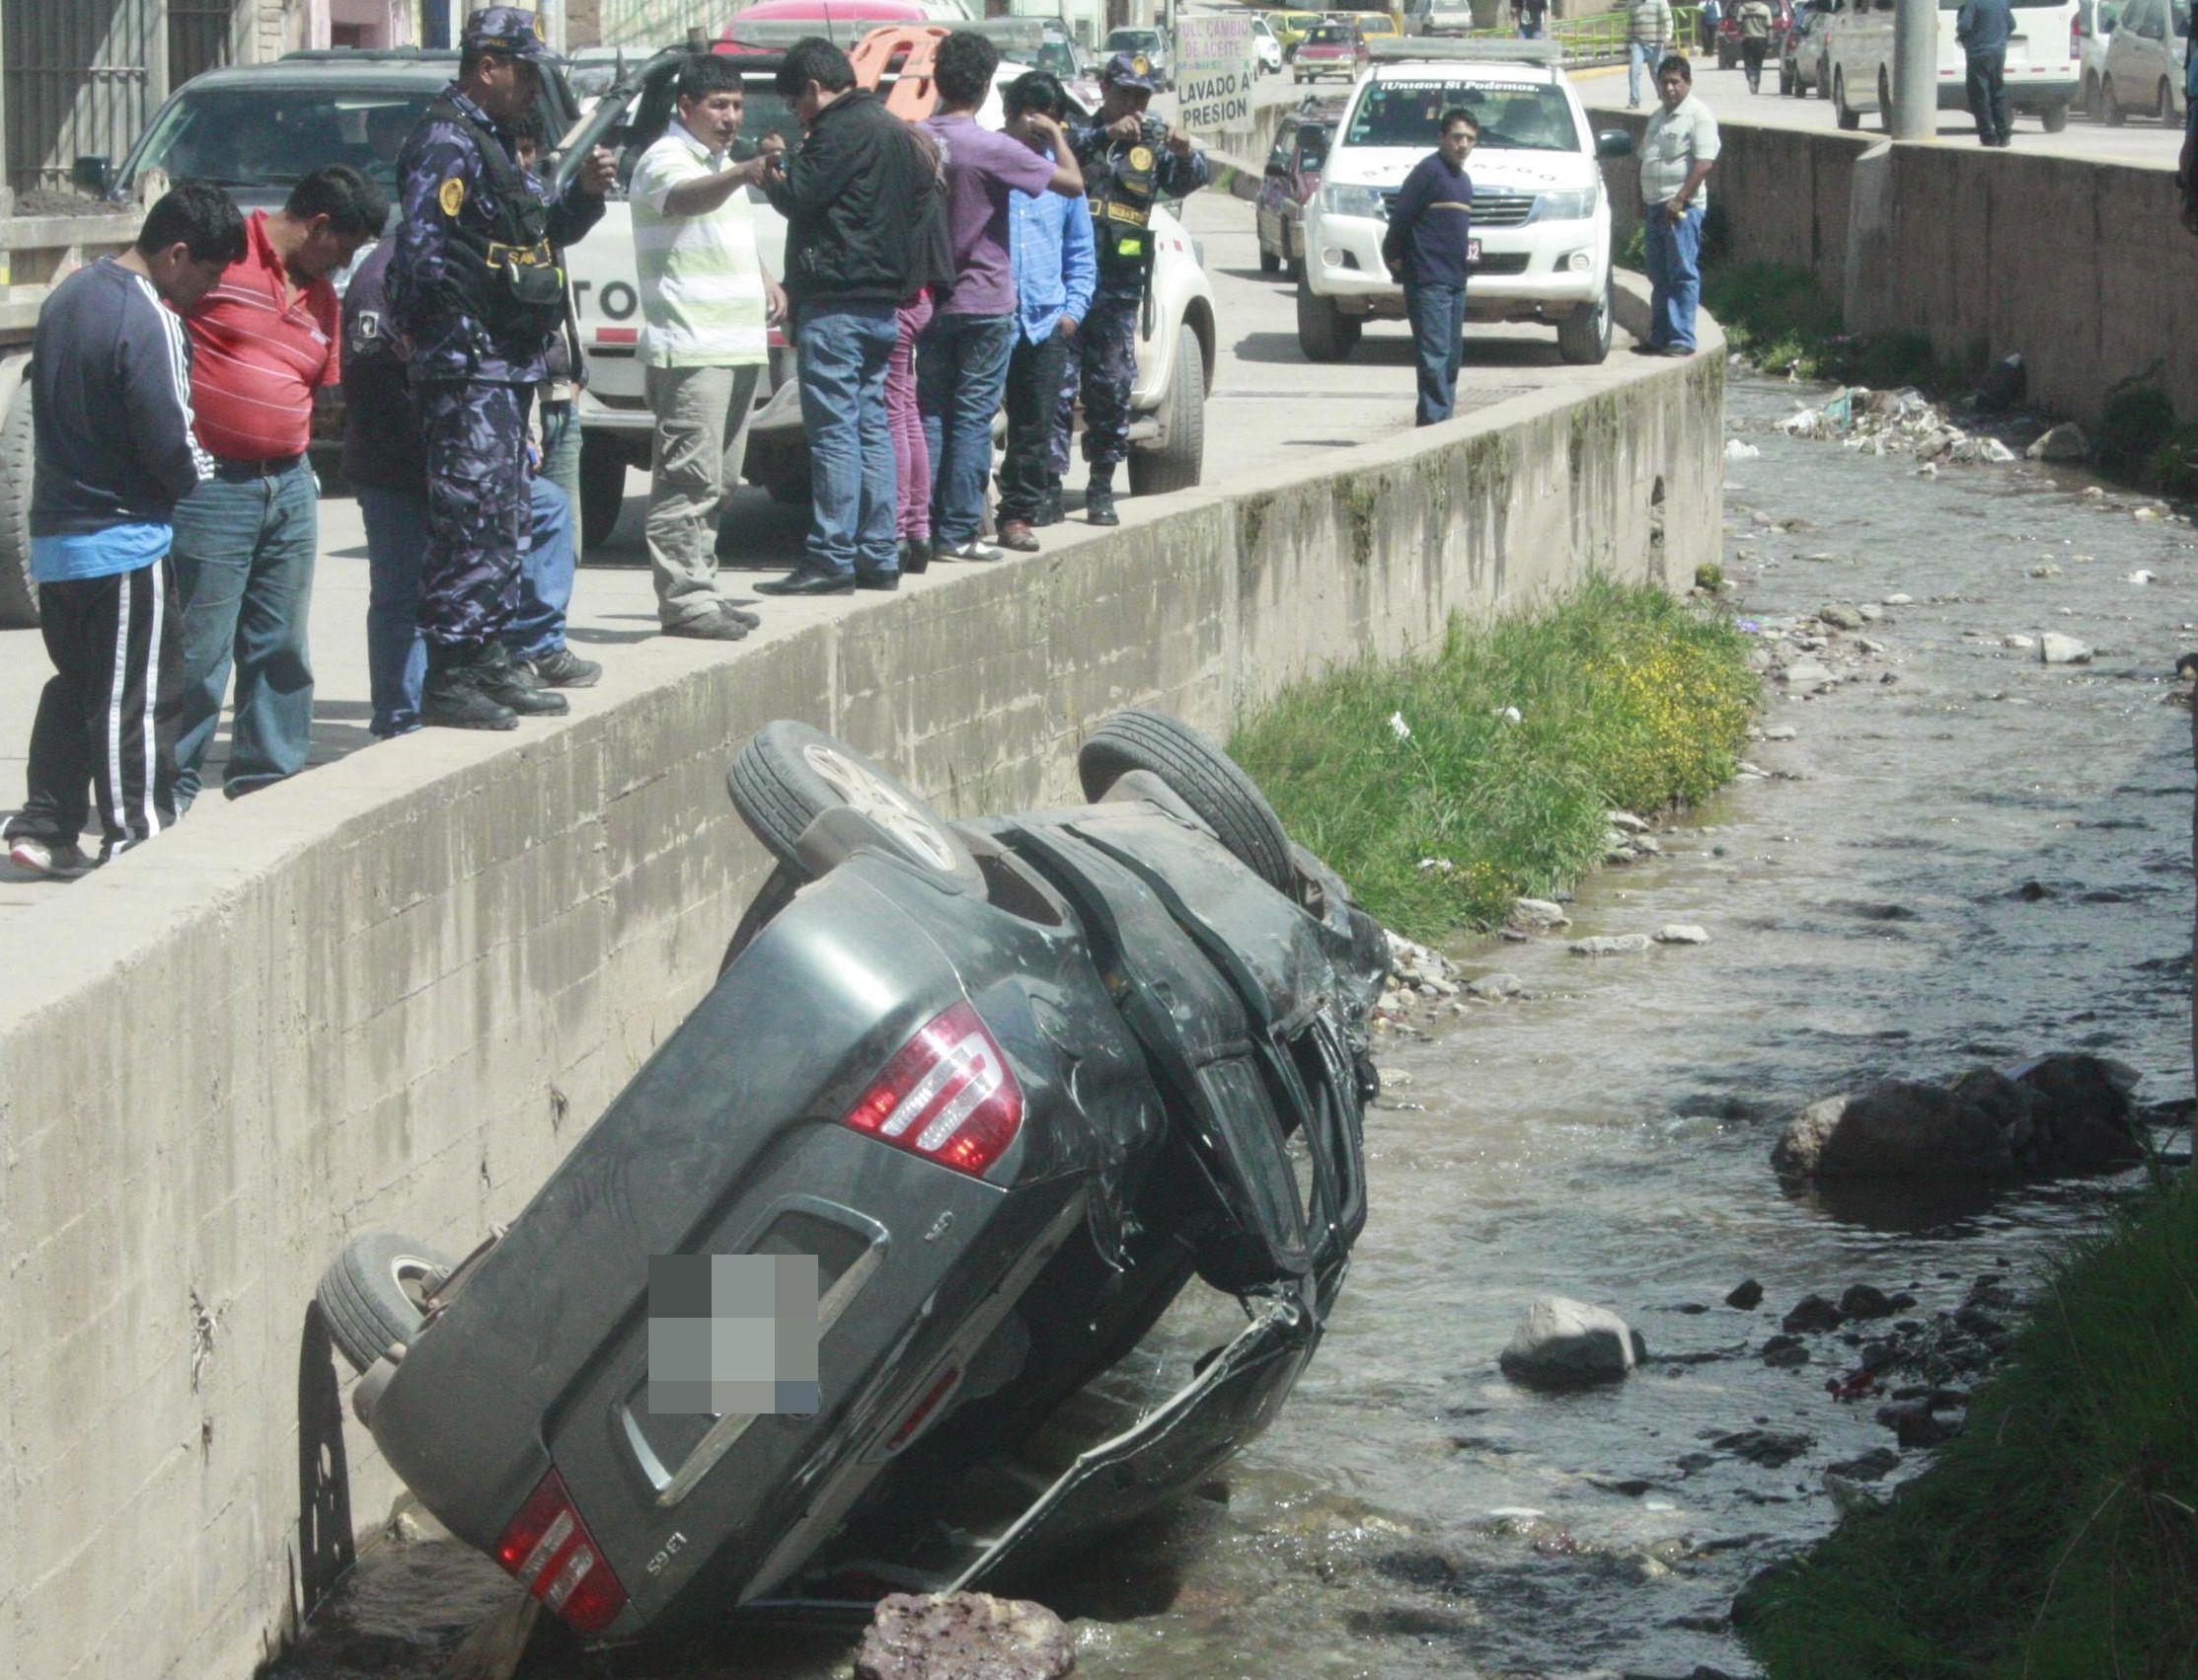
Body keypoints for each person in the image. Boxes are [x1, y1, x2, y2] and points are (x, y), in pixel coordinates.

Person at [3, 186, 243, 879]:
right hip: (123, 539)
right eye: (208, 274)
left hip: (57, 541)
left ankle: (46, 826)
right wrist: (199, 473)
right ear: (177, 255)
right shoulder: (149, 317)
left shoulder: (68, 297)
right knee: (132, 699)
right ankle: (136, 836)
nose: (207, 291)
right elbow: (169, 436)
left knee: (77, 684)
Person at [388, 6, 617, 729]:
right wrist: (461, 335)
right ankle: (452, 671)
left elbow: (540, 232)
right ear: (488, 67)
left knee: (503, 517)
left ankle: (487, 653)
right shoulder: (446, 140)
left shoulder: (489, 142)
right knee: (470, 517)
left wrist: (584, 197)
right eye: (524, 73)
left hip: (505, 363)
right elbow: (423, 258)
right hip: (467, 365)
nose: (532, 89)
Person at [168, 164, 385, 807]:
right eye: (341, 249)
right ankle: (167, 786)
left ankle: (268, 778)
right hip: (214, 486)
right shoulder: (223, 256)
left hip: (287, 485)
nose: (342, 265)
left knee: (281, 643)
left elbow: (321, 388)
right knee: (200, 647)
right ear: (318, 225)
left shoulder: (321, 297)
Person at [342, 240, 595, 737]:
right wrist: (440, 456)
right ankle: (402, 718)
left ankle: (503, 664)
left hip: (475, 464)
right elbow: (372, 388)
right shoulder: (385, 274)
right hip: (403, 468)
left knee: (539, 518)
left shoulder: (477, 258)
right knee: (404, 594)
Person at [755, 36, 940, 594]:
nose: (797, 114)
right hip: (885, 305)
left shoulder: (836, 132)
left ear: (814, 89)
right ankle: (879, 553)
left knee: (835, 434)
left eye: (795, 102)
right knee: (872, 427)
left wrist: (775, 165)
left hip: (835, 304)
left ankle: (832, 556)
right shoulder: (896, 131)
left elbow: (798, 197)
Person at [630, 51, 787, 638]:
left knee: (719, 483)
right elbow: (687, 199)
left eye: (737, 106)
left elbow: (722, 229)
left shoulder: (721, 165)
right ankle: (685, 602)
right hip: (692, 348)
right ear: (685, 107)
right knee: (687, 481)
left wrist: (764, 278)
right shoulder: (665, 159)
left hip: (737, 343)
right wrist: (743, 172)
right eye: (718, 105)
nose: (730, 117)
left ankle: (704, 587)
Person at [919, 33, 1082, 563]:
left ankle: (920, 527)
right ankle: (958, 531)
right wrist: (1054, 133)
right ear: (987, 86)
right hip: (984, 300)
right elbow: (1073, 183)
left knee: (930, 414)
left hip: (928, 299)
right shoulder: (991, 148)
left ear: (937, 79)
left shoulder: (913, 139)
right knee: (972, 419)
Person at [1062, 53, 1209, 527]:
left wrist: (1184, 152)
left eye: (1141, 98)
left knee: (1110, 387)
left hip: (1118, 285)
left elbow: (1190, 179)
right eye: (1125, 94)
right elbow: (1054, 151)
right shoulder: (1077, 132)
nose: (1134, 106)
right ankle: (1045, 484)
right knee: (1056, 386)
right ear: (1105, 89)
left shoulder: (1151, 142)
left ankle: (1101, 485)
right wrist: (1106, 134)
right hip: (1066, 283)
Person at [996, 71, 1097, 553]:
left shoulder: (1063, 176)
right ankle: (957, 517)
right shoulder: (989, 161)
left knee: (1034, 427)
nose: (1039, 137)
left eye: (1050, 127)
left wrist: (1071, 313)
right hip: (988, 316)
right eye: (1032, 125)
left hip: (1044, 322)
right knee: (970, 422)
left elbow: (1081, 253)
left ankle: (1016, 515)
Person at [511, 114, 588, 561]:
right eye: (514, 152)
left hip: (560, 396)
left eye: (529, 151)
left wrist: (576, 379)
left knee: (564, 546)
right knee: (525, 547)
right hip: (519, 403)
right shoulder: (494, 217)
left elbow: (564, 304)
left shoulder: (545, 210)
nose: (523, 163)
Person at [1382, 109, 1477, 427]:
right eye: (1457, 137)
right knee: (1434, 358)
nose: (1463, 144)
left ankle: (1443, 425)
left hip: (1455, 281)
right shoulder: (1428, 173)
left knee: (1451, 359)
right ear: (1442, 137)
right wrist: (1394, 256)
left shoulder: (1463, 182)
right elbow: (1401, 219)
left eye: (1470, 139)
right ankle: (1432, 428)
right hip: (1428, 281)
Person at [1637, 55, 1718, 356]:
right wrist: (1640, 200)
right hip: (1655, 205)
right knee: (1658, 274)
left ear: (1688, 82)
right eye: (1665, 82)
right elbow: (1645, 159)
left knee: (1682, 272)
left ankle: (1682, 338)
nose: (1670, 88)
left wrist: (1680, 198)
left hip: (1681, 209)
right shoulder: (1657, 117)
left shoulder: (1699, 116)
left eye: (1675, 82)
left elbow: (1704, 163)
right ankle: (1659, 336)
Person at [1956, 0, 2014, 146]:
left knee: (1980, 95)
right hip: (1998, 53)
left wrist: (1966, 38)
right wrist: (2001, 39)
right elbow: (2012, 24)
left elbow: (1964, 26)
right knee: (1998, 92)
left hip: (1978, 54)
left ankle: (1988, 137)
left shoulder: (1974, 3)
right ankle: (2004, 134)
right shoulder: (2002, 2)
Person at [1628, 0, 1674, 108]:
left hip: (1656, 44)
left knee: (1656, 73)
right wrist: (1627, 42)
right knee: (1634, 70)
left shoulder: (1660, 2)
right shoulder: (1633, 3)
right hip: (1638, 43)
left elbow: (1668, 20)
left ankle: (1663, 97)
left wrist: (1667, 36)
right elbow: (1630, 24)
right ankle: (1634, 100)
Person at [1735, 0, 1774, 92]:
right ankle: (1756, 81)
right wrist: (1770, 43)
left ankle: (1750, 76)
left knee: (1748, 61)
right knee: (1758, 63)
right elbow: (1769, 29)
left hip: (1747, 39)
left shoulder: (1742, 9)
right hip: (1761, 40)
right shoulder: (1765, 9)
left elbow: (1738, 25)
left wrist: (1741, 34)